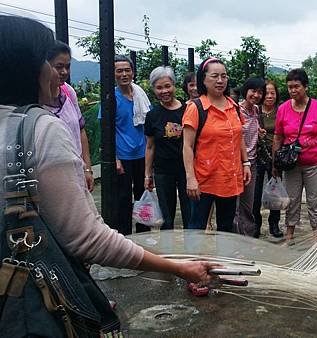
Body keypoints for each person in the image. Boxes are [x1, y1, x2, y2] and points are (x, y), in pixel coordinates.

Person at [0, 15, 218, 333]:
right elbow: (88, 240)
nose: (59, 75)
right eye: (49, 62)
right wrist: (178, 268)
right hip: (23, 306)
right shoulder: (39, 127)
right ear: (27, 67)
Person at [182, 57, 251, 232]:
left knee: (226, 228)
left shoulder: (233, 106)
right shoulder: (196, 108)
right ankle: (192, 260)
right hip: (203, 180)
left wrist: (246, 162)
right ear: (203, 79)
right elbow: (187, 146)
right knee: (196, 227)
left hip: (229, 178)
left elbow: (238, 136)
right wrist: (190, 178)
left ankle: (223, 260)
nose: (220, 81)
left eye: (224, 76)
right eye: (214, 76)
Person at [272, 68, 317, 243]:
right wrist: (275, 163)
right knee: (291, 200)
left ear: (305, 86)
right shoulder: (283, 109)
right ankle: (289, 235)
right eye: (290, 87)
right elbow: (278, 137)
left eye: (296, 86)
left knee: (315, 200)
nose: (293, 90)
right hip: (291, 165)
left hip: (314, 162)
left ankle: (316, 237)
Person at [102, 54, 151, 235]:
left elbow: (149, 125)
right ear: (113, 74)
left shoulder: (140, 95)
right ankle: (124, 237)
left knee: (142, 197)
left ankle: (143, 235)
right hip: (122, 156)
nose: (124, 74)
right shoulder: (111, 98)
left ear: (133, 72)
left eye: (127, 70)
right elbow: (106, 130)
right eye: (119, 71)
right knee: (122, 199)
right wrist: (114, 158)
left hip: (142, 154)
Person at [143, 66, 190, 230]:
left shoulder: (188, 111)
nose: (164, 91)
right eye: (159, 88)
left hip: (187, 170)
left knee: (190, 214)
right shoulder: (152, 115)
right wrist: (148, 175)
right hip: (163, 171)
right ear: (154, 90)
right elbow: (150, 147)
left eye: (167, 86)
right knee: (166, 217)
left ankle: (192, 253)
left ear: (174, 86)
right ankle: (167, 253)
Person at [45, 40, 95, 192]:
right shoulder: (34, 100)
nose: (64, 72)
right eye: (59, 67)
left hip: (77, 169)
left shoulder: (68, 92)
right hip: (52, 175)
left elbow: (80, 130)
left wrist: (87, 168)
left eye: (67, 67)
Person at [252, 80, 284, 238]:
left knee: (275, 193)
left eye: (273, 93)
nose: (269, 96)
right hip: (258, 157)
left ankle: (274, 224)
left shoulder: (281, 111)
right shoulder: (254, 111)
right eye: (267, 93)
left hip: (276, 158)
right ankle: (255, 224)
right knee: (255, 194)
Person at [235, 77, 265, 236]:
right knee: (235, 204)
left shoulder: (256, 111)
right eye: (253, 91)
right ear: (246, 91)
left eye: (260, 92)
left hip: (252, 163)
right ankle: (235, 237)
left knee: (248, 204)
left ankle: (246, 237)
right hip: (237, 163)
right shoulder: (236, 110)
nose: (257, 95)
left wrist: (259, 132)